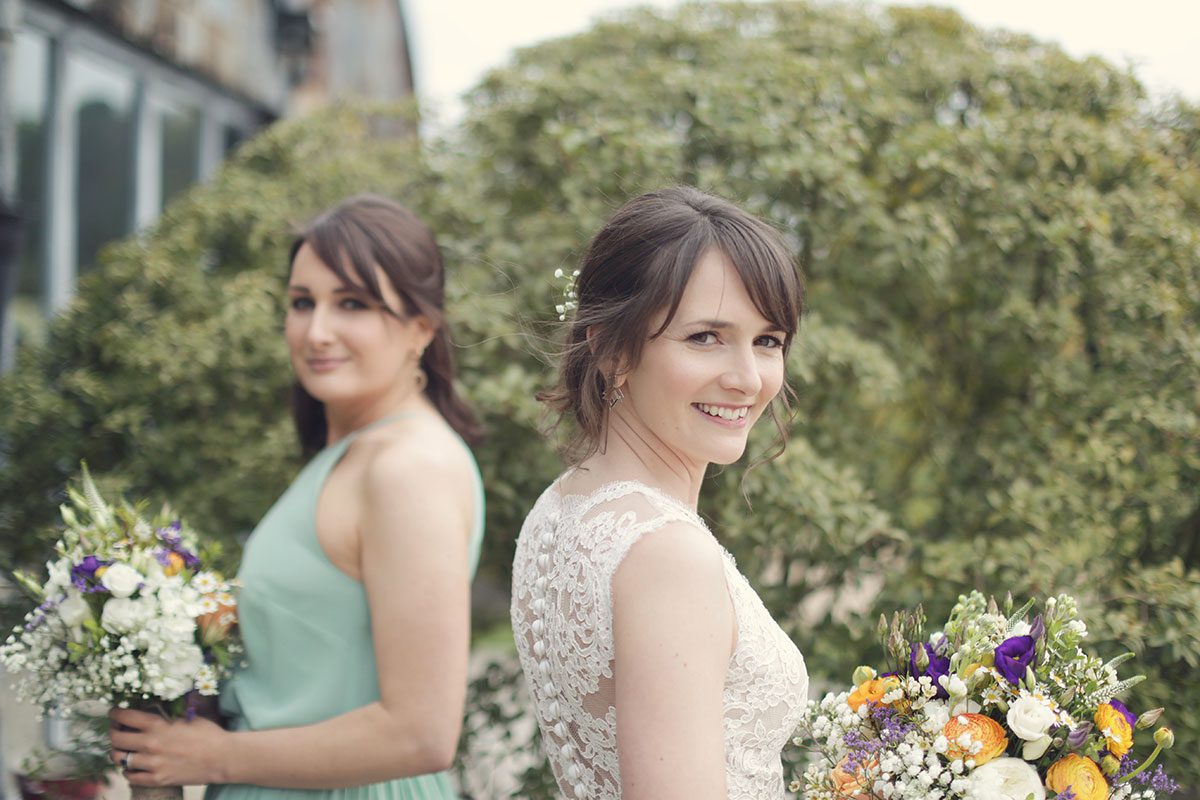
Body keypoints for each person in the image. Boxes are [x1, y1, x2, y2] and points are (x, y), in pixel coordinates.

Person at [109, 194, 486, 800]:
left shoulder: (407, 469)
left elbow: (421, 732)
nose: (317, 331)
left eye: (353, 304)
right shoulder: (353, 454)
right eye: (302, 302)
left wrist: (219, 756)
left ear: (421, 328)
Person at [511, 186, 809, 799]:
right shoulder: (667, 554)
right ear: (612, 347)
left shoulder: (562, 506)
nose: (747, 379)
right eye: (705, 337)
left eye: (768, 341)